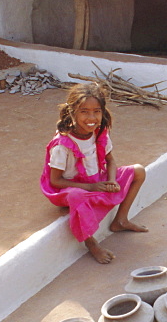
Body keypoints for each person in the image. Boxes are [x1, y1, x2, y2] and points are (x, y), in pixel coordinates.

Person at [40, 82, 147, 264]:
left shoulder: (99, 133)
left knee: (138, 171)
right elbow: (55, 180)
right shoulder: (62, 144)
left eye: (96, 111)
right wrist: (90, 186)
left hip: (96, 181)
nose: (91, 117)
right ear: (72, 112)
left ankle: (120, 220)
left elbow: (110, 160)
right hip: (69, 189)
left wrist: (112, 180)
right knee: (78, 197)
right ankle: (91, 244)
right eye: (84, 111)